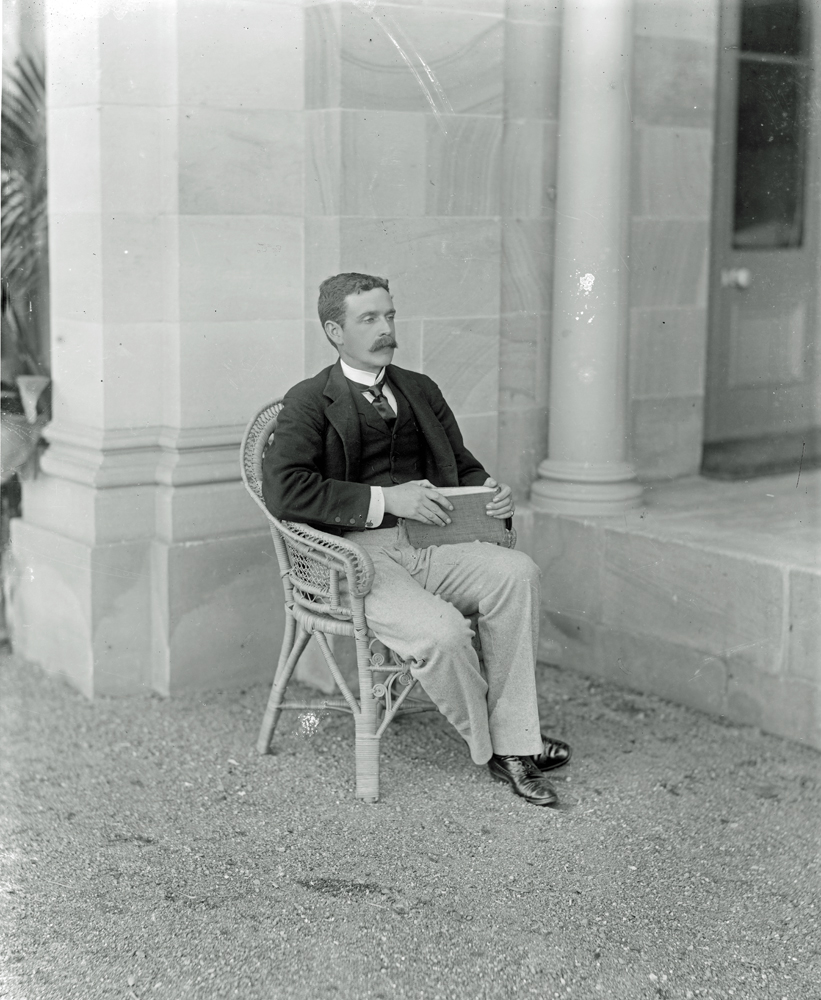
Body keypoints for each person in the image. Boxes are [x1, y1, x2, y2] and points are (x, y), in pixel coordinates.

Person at [262, 273, 571, 806]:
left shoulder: (419, 390)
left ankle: (514, 743)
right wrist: (385, 500)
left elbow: (465, 469)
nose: (386, 329)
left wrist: (490, 493)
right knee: (444, 635)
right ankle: (507, 748)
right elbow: (285, 491)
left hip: (431, 544)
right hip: (352, 559)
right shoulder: (310, 400)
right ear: (335, 331)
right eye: (370, 319)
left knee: (518, 572)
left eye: (390, 316)